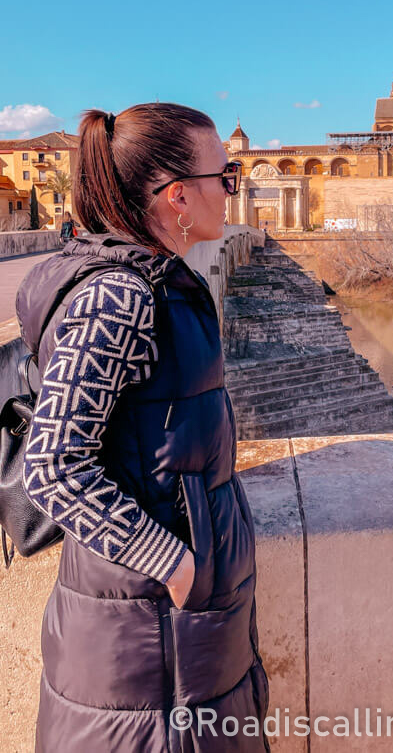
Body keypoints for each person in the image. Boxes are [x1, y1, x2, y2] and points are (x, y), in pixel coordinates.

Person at [15, 103, 267, 752]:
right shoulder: (122, 297)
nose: (232, 189)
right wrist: (174, 563)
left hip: (166, 643)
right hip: (146, 654)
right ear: (179, 195)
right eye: (226, 175)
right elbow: (53, 465)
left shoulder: (159, 279)